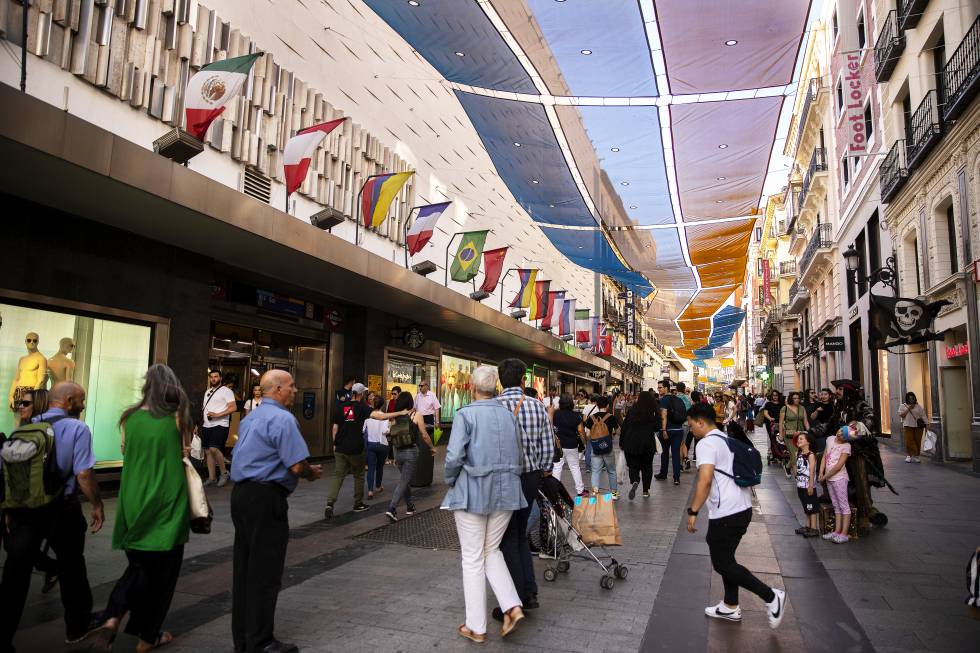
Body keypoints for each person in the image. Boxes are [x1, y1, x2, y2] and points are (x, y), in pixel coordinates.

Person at [1, 382, 104, 651]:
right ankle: (77, 626)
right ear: (68, 400)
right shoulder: (77, 428)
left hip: (25, 511)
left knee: (15, 575)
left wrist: (10, 509)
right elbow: (84, 474)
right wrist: (97, 504)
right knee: (72, 566)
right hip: (62, 509)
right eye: (80, 400)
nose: (83, 404)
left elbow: (11, 472)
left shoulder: (26, 427)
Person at [98, 364, 191, 652]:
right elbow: (186, 452)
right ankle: (147, 637)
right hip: (167, 500)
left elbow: (125, 449)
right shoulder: (177, 416)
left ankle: (113, 615)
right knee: (164, 575)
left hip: (134, 498)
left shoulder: (129, 417)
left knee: (139, 566)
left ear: (145, 386)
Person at [229, 370, 322, 653]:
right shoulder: (283, 419)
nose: (295, 390)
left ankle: (243, 639)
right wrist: (311, 473)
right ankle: (261, 641)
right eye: (292, 386)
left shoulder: (252, 417)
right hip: (266, 497)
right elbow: (296, 464)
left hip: (241, 495)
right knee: (265, 570)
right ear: (278, 389)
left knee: (244, 569)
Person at [442, 366, 525, 643]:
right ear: (495, 387)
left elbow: (453, 457)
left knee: (472, 557)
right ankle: (512, 606)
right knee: (491, 550)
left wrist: (450, 480)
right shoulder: (508, 415)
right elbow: (519, 454)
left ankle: (476, 626)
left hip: (473, 491)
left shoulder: (465, 414)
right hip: (507, 491)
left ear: (472, 387)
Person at [685, 403, 786, 628]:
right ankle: (730, 606)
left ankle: (771, 596)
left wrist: (693, 511)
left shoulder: (706, 444)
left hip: (727, 512)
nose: (691, 430)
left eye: (691, 425)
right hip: (741, 507)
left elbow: (705, 479)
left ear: (700, 422)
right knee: (726, 559)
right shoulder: (723, 438)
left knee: (722, 563)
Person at [494, 358, 553, 615]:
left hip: (503, 478)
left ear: (500, 380)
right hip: (530, 477)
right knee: (519, 533)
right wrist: (543, 469)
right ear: (523, 380)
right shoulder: (537, 406)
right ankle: (529, 592)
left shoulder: (493, 406)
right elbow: (548, 447)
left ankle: (514, 599)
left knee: (507, 535)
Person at [325, 383, 409, 517]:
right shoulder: (362, 407)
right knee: (358, 475)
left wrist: (335, 443)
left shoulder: (341, 406)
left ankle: (330, 502)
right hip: (355, 448)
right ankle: (358, 503)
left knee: (338, 475)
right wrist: (400, 412)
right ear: (361, 394)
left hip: (340, 447)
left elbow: (335, 428)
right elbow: (381, 417)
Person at [11, 389, 60, 594]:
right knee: (17, 548)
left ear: (39, 405)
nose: (20, 407)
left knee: (19, 550)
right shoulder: (23, 429)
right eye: (20, 403)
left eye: (26, 404)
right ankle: (54, 567)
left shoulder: (45, 432)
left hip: (38, 502)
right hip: (21, 500)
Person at [385, 392, 435, 521]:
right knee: (404, 481)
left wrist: (394, 455)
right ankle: (392, 508)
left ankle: (410, 506)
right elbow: (424, 435)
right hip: (410, 452)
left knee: (405, 479)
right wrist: (432, 447)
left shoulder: (395, 416)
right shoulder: (416, 415)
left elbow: (392, 435)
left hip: (398, 451)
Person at [819, 423, 853, 543]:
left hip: (839, 478)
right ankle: (837, 531)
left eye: (843, 435)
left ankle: (844, 534)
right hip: (829, 478)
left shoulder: (846, 446)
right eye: (840, 431)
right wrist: (821, 472)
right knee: (836, 505)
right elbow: (825, 456)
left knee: (844, 506)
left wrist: (825, 477)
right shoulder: (830, 439)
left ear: (847, 439)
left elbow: (839, 466)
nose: (839, 434)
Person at [620, 390, 658, 500]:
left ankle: (635, 480)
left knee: (633, 465)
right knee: (647, 466)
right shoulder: (653, 411)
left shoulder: (632, 410)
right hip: (647, 443)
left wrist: (621, 442)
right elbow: (657, 427)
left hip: (631, 442)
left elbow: (624, 427)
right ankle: (645, 491)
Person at [201, 370, 236, 488]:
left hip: (220, 424)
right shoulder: (208, 391)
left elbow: (233, 407)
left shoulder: (227, 391)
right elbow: (205, 409)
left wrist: (217, 415)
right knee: (207, 451)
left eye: (216, 376)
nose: (213, 379)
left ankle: (224, 473)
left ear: (220, 378)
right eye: (211, 377)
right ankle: (212, 477)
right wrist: (198, 424)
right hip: (206, 425)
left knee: (214, 449)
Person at [584, 395, 620, 498]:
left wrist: (595, 439)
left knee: (595, 471)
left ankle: (595, 493)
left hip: (595, 448)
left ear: (597, 405)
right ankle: (614, 494)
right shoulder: (611, 417)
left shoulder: (591, 418)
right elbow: (618, 432)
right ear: (607, 405)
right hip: (608, 448)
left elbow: (587, 434)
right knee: (611, 471)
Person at [551, 394, 587, 496]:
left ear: (560, 403)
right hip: (572, 445)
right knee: (575, 467)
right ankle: (580, 490)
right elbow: (580, 431)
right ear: (571, 403)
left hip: (558, 445)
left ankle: (555, 491)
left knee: (557, 467)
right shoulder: (576, 415)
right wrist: (585, 442)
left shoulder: (555, 414)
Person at [656, 379, 687, 486]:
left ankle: (663, 474)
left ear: (666, 388)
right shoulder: (677, 399)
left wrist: (664, 430)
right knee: (676, 454)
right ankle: (676, 478)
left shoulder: (664, 399)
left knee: (664, 452)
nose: (659, 389)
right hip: (678, 430)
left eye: (660, 388)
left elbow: (664, 415)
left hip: (667, 430)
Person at [363, 396, 390, 499]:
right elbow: (385, 431)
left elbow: (363, 430)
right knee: (380, 467)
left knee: (371, 467)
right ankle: (378, 486)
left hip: (371, 444)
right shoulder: (385, 416)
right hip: (382, 444)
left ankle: (370, 490)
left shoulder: (368, 416)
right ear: (382, 405)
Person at [793, 432, 819, 538]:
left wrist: (811, 485)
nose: (799, 441)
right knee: (806, 506)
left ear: (808, 442)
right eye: (798, 439)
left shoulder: (811, 455)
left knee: (811, 507)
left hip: (808, 486)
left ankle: (814, 528)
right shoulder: (799, 454)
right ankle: (808, 526)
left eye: (801, 439)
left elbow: (812, 471)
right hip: (800, 485)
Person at [779, 392, 809, 477]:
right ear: (791, 399)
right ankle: (797, 477)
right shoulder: (785, 408)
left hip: (800, 434)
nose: (796, 400)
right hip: (789, 435)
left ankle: (788, 466)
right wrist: (781, 435)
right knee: (794, 454)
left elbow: (805, 421)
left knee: (798, 453)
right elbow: (781, 423)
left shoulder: (802, 408)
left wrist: (809, 431)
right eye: (794, 398)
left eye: (798, 398)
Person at [899, 391, 928, 463]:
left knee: (918, 441)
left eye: (912, 398)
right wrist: (909, 408)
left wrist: (927, 424)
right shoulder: (903, 406)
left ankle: (916, 456)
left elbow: (923, 415)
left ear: (914, 398)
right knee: (909, 441)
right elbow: (901, 415)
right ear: (907, 399)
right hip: (907, 425)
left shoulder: (918, 406)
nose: (911, 400)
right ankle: (909, 455)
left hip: (918, 426)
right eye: (910, 399)